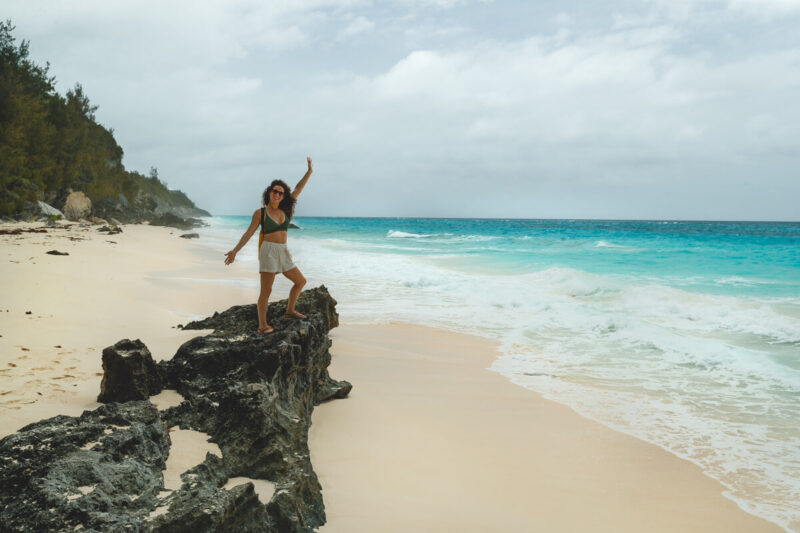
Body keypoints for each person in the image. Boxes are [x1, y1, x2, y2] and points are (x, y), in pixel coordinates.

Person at [224, 157, 313, 333]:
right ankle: (262, 325)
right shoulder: (260, 213)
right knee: (266, 290)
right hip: (268, 251)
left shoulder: (286, 210)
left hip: (283, 251)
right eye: (275, 191)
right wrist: (235, 251)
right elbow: (248, 233)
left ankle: (290, 311)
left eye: (280, 193)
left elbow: (298, 188)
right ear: (269, 192)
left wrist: (309, 171)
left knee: (300, 281)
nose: (277, 194)